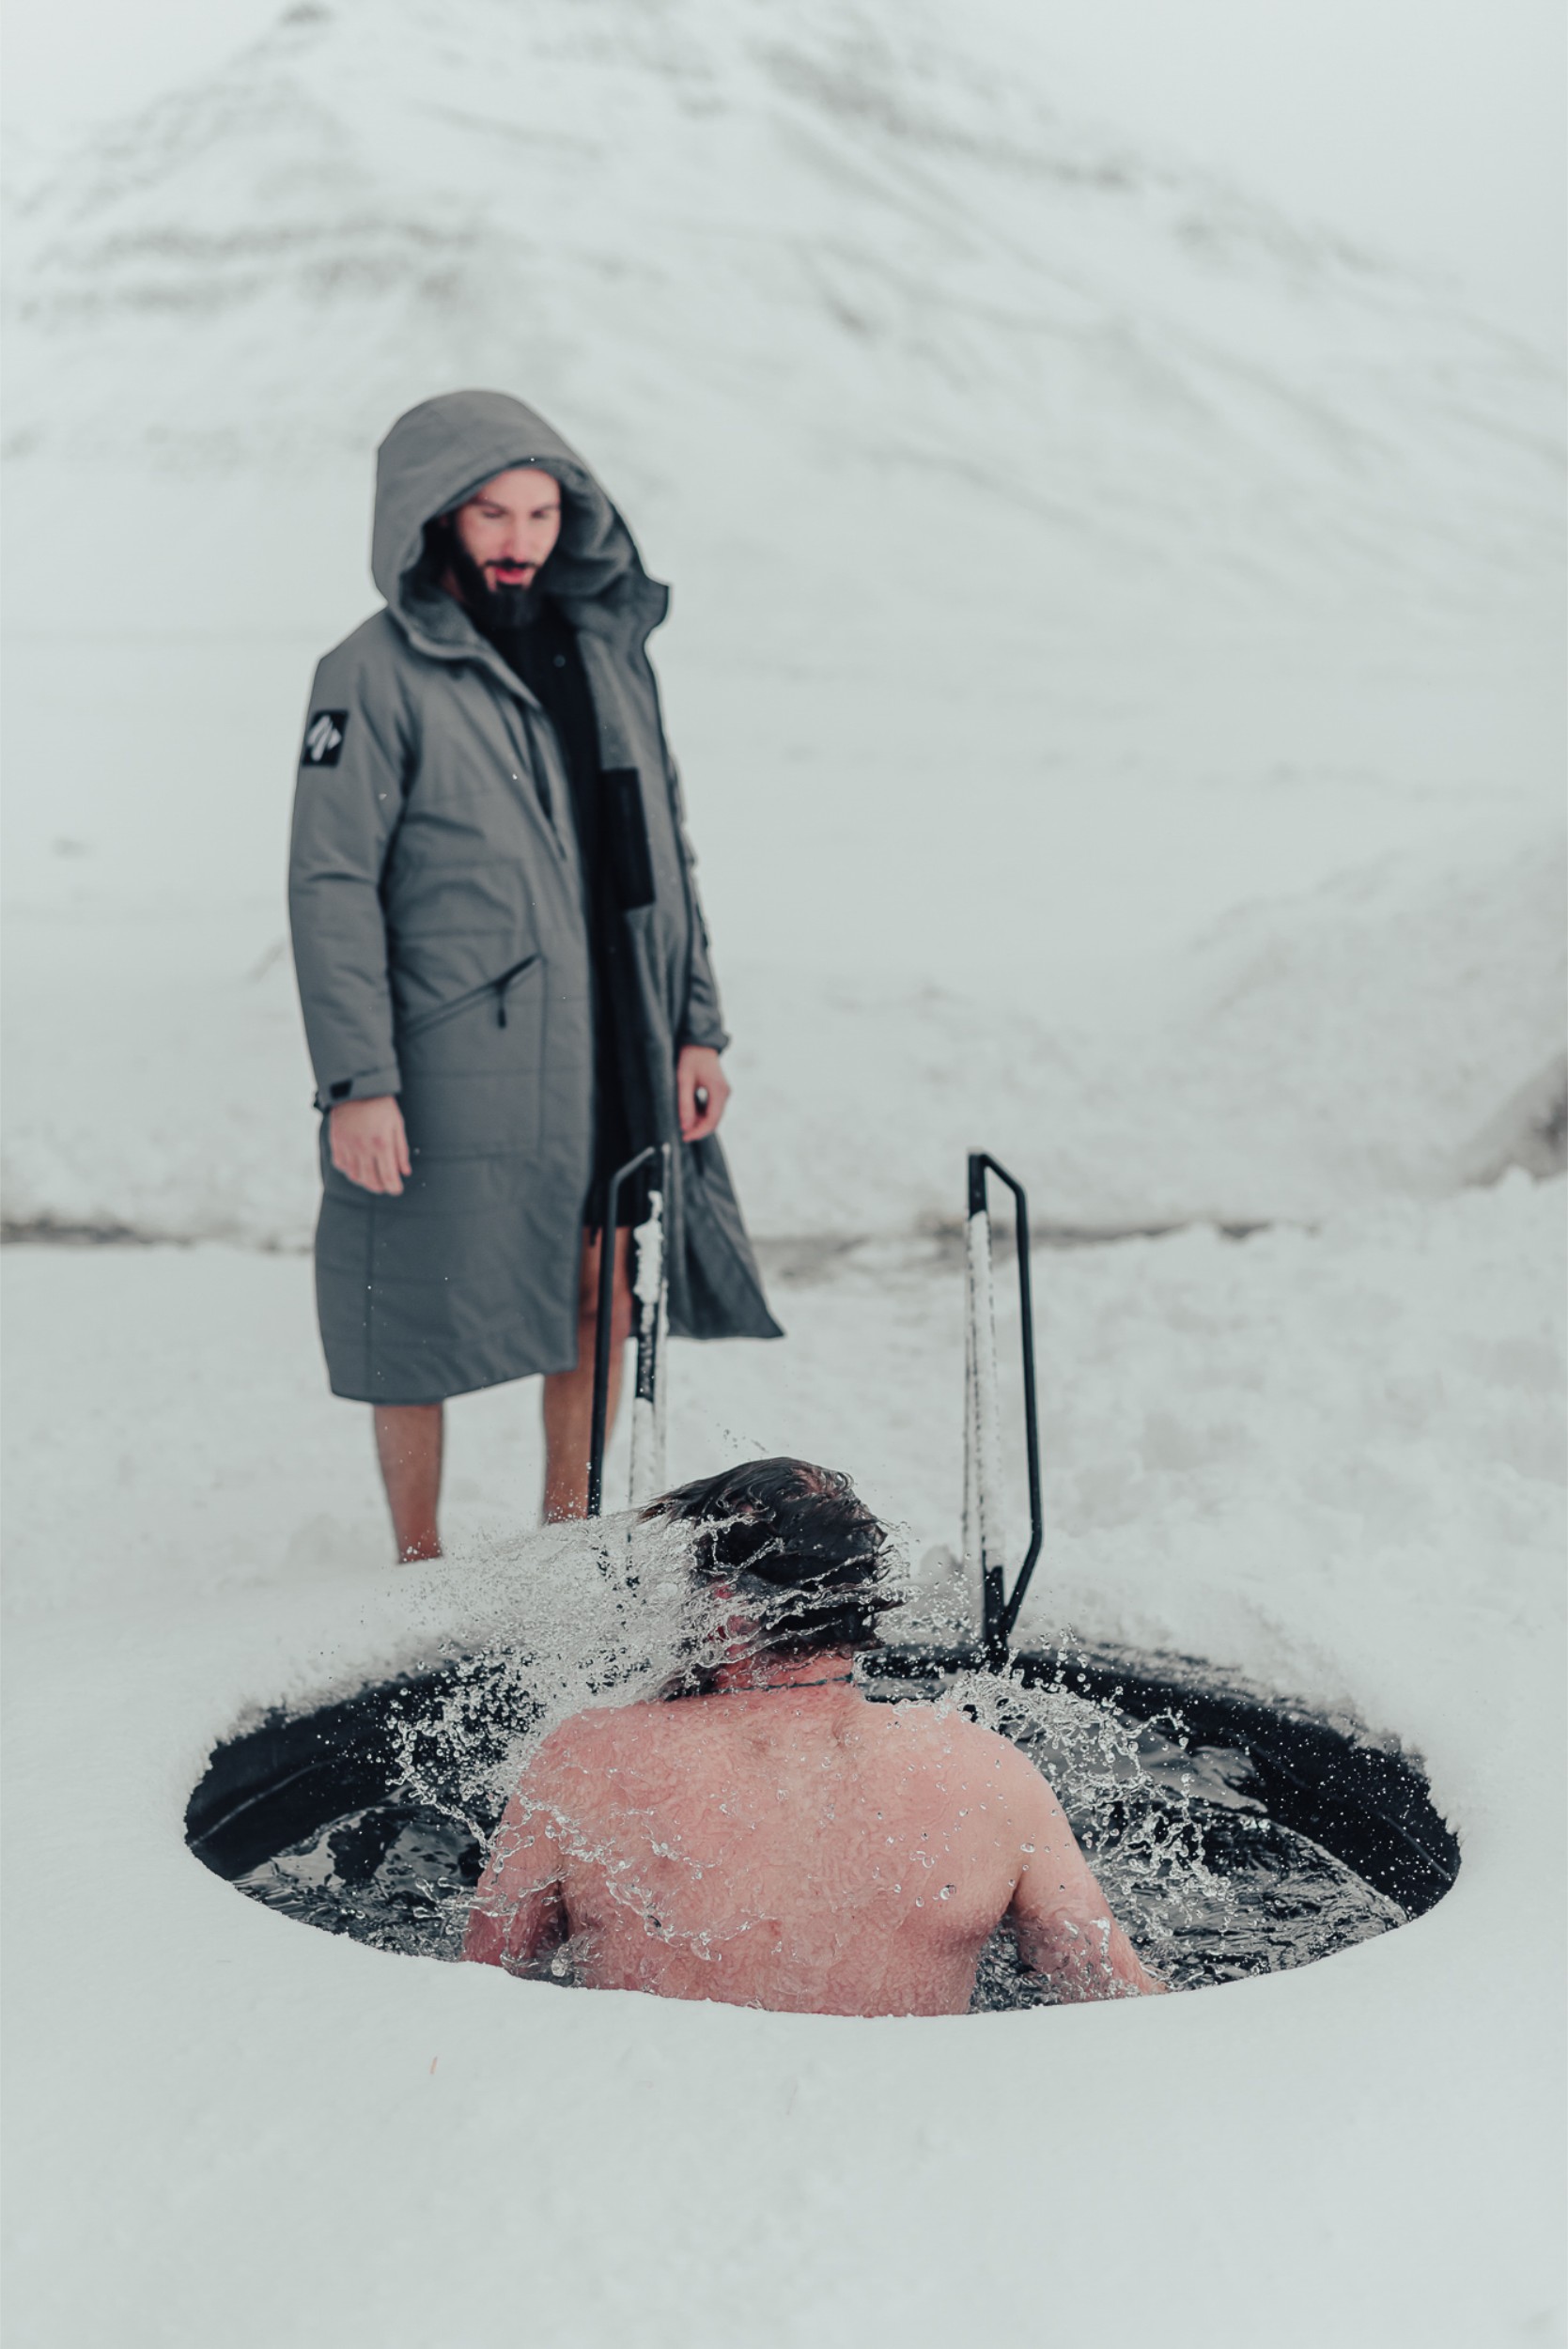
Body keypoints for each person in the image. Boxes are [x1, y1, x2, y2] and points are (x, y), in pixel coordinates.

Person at [288, 390, 779, 1554]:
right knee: (412, 1302)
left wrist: (694, 1025)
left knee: (601, 1288)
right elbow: (330, 883)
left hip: (615, 1024)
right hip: (450, 1046)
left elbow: (665, 842)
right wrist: (358, 1078)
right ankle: (418, 1562)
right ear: (431, 518)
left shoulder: (609, 655)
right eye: (493, 513)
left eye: (543, 512)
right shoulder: (370, 673)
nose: (520, 539)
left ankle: (566, 1537)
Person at [463, 1459, 1164, 2015]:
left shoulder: (586, 1757)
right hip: (904, 2141)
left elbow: (486, 1991)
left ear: (725, 1609)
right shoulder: (984, 1769)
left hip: (663, 2134)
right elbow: (1107, 1990)